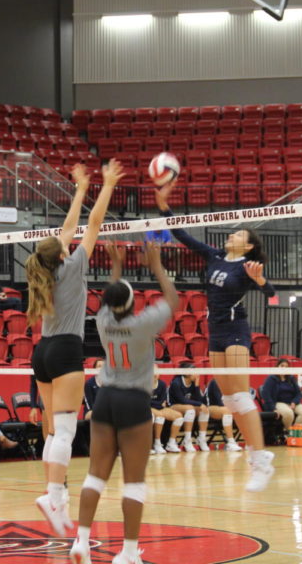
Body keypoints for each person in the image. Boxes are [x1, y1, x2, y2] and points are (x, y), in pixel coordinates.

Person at [156, 180, 277, 490]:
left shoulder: (251, 265)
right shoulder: (214, 257)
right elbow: (182, 235)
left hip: (236, 330)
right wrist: (163, 206)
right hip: (215, 331)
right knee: (228, 399)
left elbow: (272, 296)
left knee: (240, 394)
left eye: (238, 234)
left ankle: (260, 458)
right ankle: (255, 452)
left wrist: (262, 282)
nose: (230, 234)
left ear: (248, 245)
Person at [27, 160, 123, 535]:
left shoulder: (43, 269)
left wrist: (81, 189)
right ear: (64, 252)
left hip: (43, 352)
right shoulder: (73, 265)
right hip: (66, 350)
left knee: (54, 432)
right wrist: (108, 185)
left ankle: (57, 499)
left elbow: (68, 230)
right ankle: (53, 496)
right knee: (65, 431)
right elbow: (93, 225)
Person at [69, 240, 178, 564]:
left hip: (105, 400)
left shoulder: (103, 320)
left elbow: (109, 299)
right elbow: (172, 300)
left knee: (95, 476)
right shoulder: (142, 324)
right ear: (133, 303)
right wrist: (156, 265)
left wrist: (115, 266)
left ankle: (81, 542)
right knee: (134, 483)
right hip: (133, 402)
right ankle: (128, 553)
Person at [168, 363, 211, 452]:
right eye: (194, 371)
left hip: (187, 407)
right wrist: (199, 404)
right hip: (173, 406)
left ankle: (201, 439)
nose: (197, 374)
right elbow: (182, 400)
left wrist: (196, 386)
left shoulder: (193, 382)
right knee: (191, 409)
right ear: (187, 373)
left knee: (204, 410)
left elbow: (200, 400)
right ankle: (187, 440)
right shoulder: (176, 382)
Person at [260, 359, 302, 430]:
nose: (284, 368)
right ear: (277, 366)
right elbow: (266, 394)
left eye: (286, 366)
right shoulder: (271, 378)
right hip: (278, 403)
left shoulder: (291, 378)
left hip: (292, 402)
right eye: (282, 365)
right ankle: (287, 431)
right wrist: (273, 409)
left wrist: (294, 402)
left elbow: (298, 393)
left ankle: (294, 431)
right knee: (288, 413)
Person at [150, 368, 185, 454]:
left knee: (179, 416)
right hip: (146, 407)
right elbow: (145, 401)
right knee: (158, 415)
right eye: (153, 372)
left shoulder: (162, 384)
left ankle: (171, 443)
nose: (155, 374)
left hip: (158, 407)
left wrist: (159, 406)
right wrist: (159, 406)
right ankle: (153, 444)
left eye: (157, 372)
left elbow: (162, 400)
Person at [204, 377, 243, 451]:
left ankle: (249, 443)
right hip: (211, 407)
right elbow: (219, 402)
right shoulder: (215, 382)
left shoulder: (231, 383)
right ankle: (231, 443)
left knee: (244, 412)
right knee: (227, 410)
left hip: (224, 408)